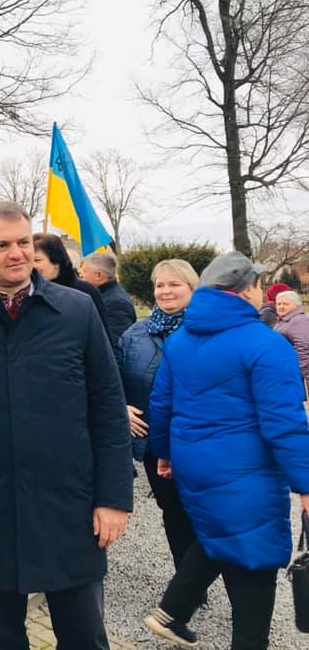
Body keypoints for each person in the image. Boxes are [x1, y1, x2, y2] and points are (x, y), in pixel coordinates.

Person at [0, 202, 132, 650]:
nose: (17, 253)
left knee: (84, 635)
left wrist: (113, 498)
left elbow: (108, 407)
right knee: (2, 636)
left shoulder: (77, 310)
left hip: (69, 505)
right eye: (1, 245)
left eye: (23, 242)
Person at [146, 252, 309, 650]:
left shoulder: (180, 340)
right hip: (245, 471)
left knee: (221, 532)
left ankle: (172, 611)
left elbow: (162, 402)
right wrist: (306, 485)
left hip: (194, 464)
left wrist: (164, 452)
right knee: (255, 557)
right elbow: (285, 424)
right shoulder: (266, 344)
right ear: (247, 289)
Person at [118, 260, 200, 570]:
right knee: (173, 512)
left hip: (198, 440)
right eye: (160, 285)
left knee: (203, 512)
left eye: (174, 284)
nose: (165, 291)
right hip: (154, 441)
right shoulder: (135, 334)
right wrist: (121, 407)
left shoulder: (207, 331)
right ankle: (187, 583)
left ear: (192, 288)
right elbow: (110, 378)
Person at [32, 233, 111, 339]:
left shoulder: (86, 293)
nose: (32, 266)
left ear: (56, 262)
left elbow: (102, 338)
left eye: (37, 260)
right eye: (28, 260)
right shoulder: (28, 294)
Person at [80, 252, 136, 347]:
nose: (81, 276)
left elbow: (117, 345)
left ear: (98, 275)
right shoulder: (103, 295)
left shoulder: (116, 303)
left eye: (84, 271)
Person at [273, 290, 309, 400]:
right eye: (279, 303)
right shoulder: (285, 320)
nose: (281, 306)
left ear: (296, 305)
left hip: (297, 377)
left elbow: (303, 349)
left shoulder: (299, 320)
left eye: (286, 304)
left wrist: (300, 375)